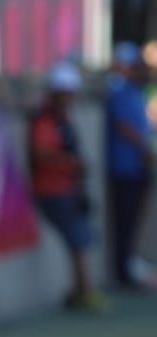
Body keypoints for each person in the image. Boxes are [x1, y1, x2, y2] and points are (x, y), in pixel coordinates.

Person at [29, 63, 103, 310]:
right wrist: (71, 164)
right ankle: (84, 292)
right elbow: (42, 155)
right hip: (53, 191)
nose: (71, 98)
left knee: (81, 239)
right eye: (66, 92)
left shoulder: (61, 119)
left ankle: (79, 290)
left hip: (69, 189)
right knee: (79, 240)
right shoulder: (45, 121)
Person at [106, 42, 153, 290]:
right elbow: (125, 127)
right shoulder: (118, 91)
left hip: (137, 167)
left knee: (134, 220)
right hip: (124, 168)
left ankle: (130, 265)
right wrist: (146, 147)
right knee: (124, 221)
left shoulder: (136, 91)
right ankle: (123, 271)